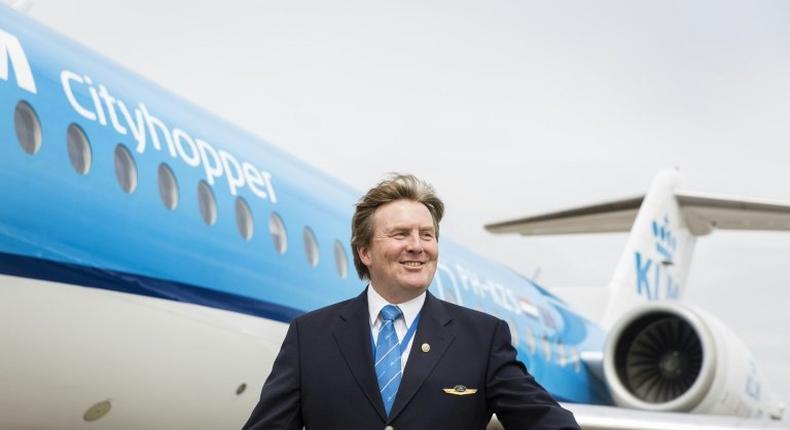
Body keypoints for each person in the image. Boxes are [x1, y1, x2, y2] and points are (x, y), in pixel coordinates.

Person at [242, 174, 579, 430]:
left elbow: (548, 422)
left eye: (427, 235)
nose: (418, 246)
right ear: (364, 251)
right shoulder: (310, 336)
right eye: (401, 234)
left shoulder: (482, 338)